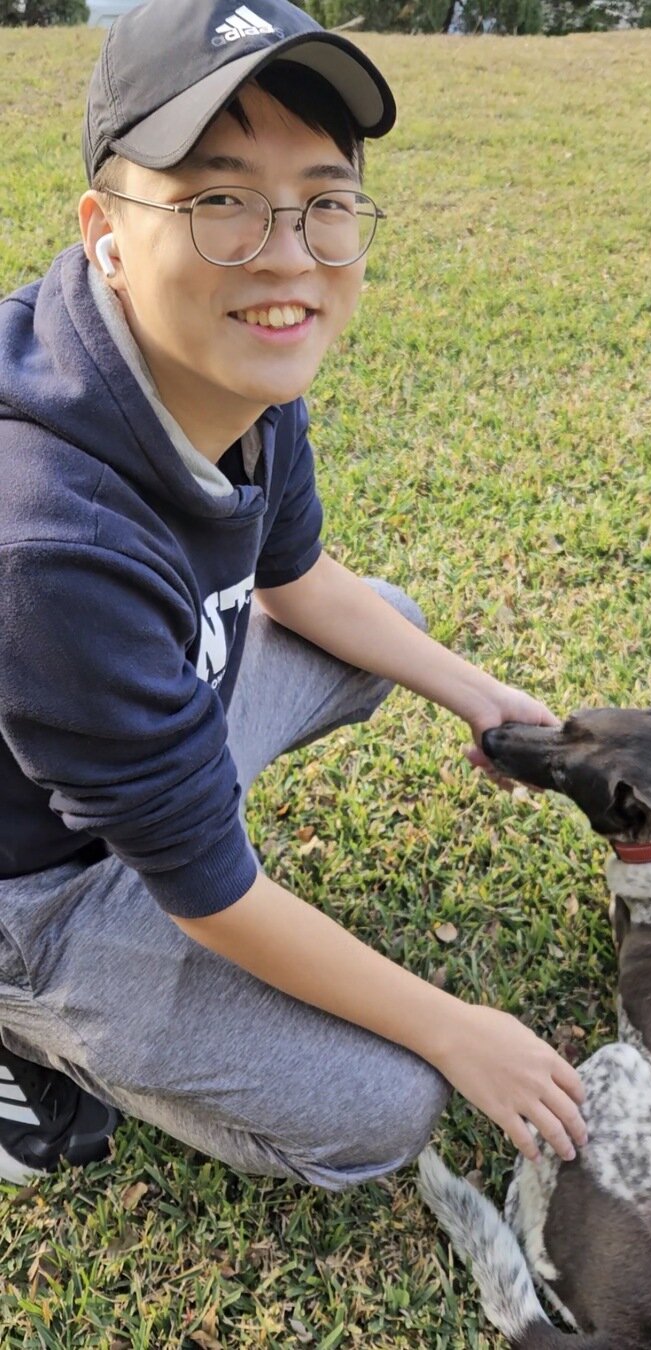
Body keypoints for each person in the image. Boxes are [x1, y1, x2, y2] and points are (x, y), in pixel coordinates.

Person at [0, 0, 587, 1191]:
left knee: (387, 628)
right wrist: (456, 1028)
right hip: (36, 881)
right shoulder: (49, 539)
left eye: (324, 202)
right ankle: (25, 1020)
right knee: (380, 1111)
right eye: (220, 200)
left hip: (134, 768)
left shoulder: (236, 363)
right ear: (105, 233)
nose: (288, 256)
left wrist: (485, 700)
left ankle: (168, 794)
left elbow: (299, 580)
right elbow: (212, 895)